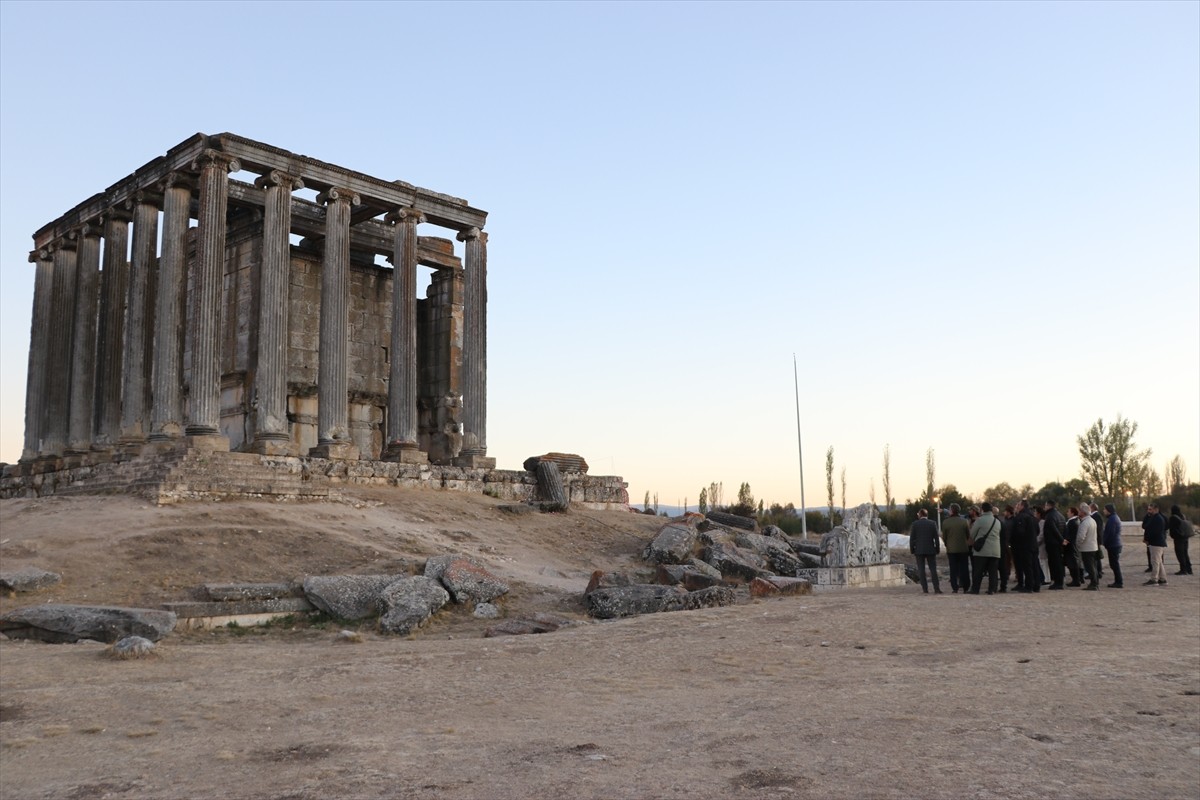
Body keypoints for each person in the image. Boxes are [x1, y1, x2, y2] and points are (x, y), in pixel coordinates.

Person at [968, 502, 1001, 594]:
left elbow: (972, 534)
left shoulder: (980, 520)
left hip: (982, 550)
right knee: (993, 572)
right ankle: (992, 589)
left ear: (982, 509)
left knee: (978, 571)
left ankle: (975, 589)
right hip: (995, 550)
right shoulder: (997, 522)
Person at [909, 508, 943, 594]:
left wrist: (912, 549)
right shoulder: (932, 523)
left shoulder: (915, 524)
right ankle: (936, 588)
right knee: (933, 569)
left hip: (919, 550)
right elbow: (936, 538)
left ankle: (925, 589)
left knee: (921, 570)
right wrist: (937, 549)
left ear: (920, 515)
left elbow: (912, 538)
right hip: (930, 549)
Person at [941, 504, 972, 594]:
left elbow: (944, 537)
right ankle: (966, 586)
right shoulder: (964, 521)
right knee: (964, 568)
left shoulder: (946, 522)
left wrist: (947, 544)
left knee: (953, 569)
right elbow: (968, 535)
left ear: (951, 511)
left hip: (951, 549)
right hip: (963, 548)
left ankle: (955, 587)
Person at [1011, 499, 1039, 592]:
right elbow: (1037, 530)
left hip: (1024, 546)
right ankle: (1036, 585)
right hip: (1033, 544)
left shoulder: (1021, 517)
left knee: (1027, 566)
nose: (1017, 507)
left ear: (1022, 506)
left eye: (1018, 505)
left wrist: (1014, 540)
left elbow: (1020, 532)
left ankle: (1028, 586)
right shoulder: (1033, 517)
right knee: (1034, 565)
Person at [1042, 500, 1068, 590]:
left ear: (1049, 506)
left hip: (1053, 543)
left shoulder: (1050, 516)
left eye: (1045, 506)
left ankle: (1058, 582)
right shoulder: (1060, 515)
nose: (1044, 508)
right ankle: (1059, 581)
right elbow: (1064, 528)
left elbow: (1054, 529)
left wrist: (1061, 539)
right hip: (1059, 543)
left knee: (1054, 563)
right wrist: (1064, 539)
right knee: (1059, 562)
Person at [1142, 503, 1169, 585]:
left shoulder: (1158, 519)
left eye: (1150, 509)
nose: (1148, 511)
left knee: (1155, 561)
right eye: (1148, 509)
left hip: (1156, 542)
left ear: (1156, 510)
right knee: (1159, 561)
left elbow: (1154, 532)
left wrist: (1147, 539)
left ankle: (1154, 579)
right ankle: (1163, 578)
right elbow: (1146, 526)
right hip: (1155, 542)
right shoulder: (1153, 518)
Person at [1076, 501, 1100, 590]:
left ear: (1083, 512)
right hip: (1093, 546)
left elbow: (1081, 536)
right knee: (1093, 566)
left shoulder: (1085, 523)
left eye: (1080, 511)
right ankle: (1095, 582)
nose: (1078, 512)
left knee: (1090, 567)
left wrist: (1078, 545)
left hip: (1087, 548)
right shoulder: (1092, 520)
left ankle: (1093, 584)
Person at [1168, 505, 1194, 576]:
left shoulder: (1173, 518)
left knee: (1180, 554)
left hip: (1178, 538)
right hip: (1185, 537)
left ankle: (1183, 569)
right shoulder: (1183, 516)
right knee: (1185, 553)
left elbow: (1171, 527)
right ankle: (1189, 569)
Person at [1102, 503, 1124, 588]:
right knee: (1114, 564)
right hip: (1115, 544)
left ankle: (1119, 581)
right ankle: (1118, 581)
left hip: (1113, 545)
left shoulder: (1112, 519)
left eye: (1105, 509)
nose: (1103, 511)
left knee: (1114, 564)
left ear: (1109, 510)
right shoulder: (1114, 518)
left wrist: (1105, 542)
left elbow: (1110, 533)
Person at [1063, 506, 1083, 586]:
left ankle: (1076, 580)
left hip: (1070, 545)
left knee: (1072, 563)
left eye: (1068, 511)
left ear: (1072, 513)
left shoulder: (1072, 522)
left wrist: (1066, 541)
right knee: (1074, 563)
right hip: (1073, 545)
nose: (1067, 513)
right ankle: (1077, 579)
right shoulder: (1076, 520)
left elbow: (1070, 534)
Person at [998, 505, 1015, 593]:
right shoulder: (1005, 521)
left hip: (1010, 542)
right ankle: (1007, 574)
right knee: (1007, 560)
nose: (1004, 513)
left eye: (1005, 511)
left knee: (1012, 560)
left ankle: (1016, 575)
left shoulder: (1012, 521)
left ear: (1008, 512)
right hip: (1006, 542)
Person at [1089, 503, 1105, 581]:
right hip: (1096, 539)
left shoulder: (1096, 516)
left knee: (1096, 557)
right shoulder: (1095, 516)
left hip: (1095, 539)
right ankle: (1098, 571)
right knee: (1096, 557)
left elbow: (1098, 529)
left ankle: (1098, 572)